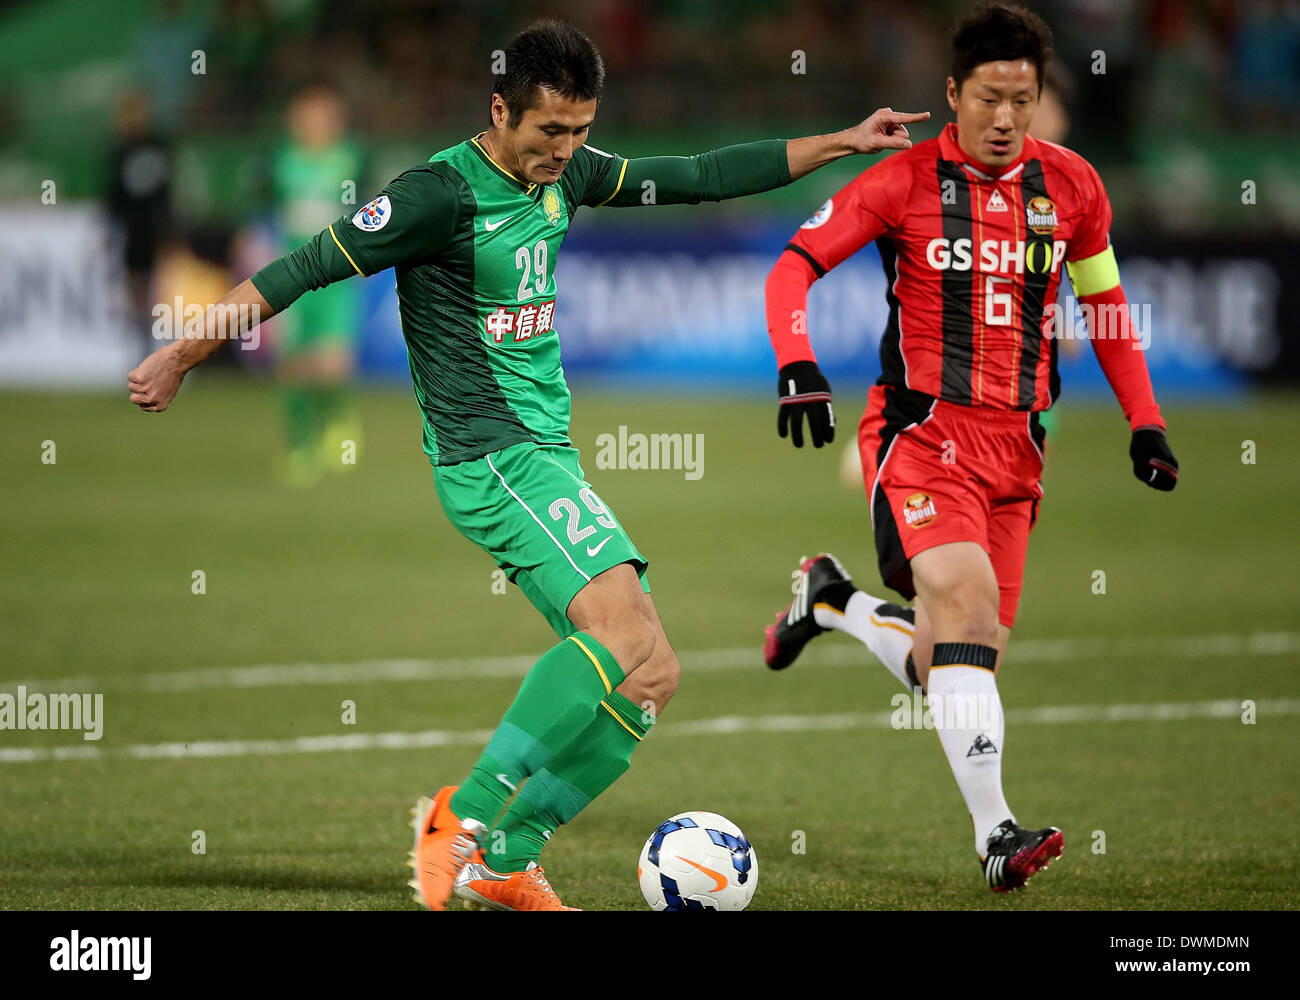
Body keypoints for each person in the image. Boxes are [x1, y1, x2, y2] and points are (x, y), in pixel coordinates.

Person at [127, 18, 927, 910]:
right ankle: (457, 817)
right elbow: (299, 270)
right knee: (622, 636)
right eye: (550, 131)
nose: (568, 150)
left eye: (582, 130)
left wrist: (843, 143)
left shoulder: (570, 173)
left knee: (654, 672)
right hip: (491, 454)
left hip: (545, 456)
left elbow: (699, 177)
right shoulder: (437, 195)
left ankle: (508, 856)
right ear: (500, 108)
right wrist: (179, 356)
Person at [762, 2, 1178, 893]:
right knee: (966, 609)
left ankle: (831, 600)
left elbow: (1105, 307)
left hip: (1017, 453)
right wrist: (797, 361)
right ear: (953, 94)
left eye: (1022, 101)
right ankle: (998, 836)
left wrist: (1146, 419)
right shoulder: (902, 182)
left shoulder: (1072, 188)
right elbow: (794, 264)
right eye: (989, 98)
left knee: (951, 663)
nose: (1004, 119)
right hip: (923, 437)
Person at [268, 81, 366, 487]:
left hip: (335, 278)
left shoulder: (351, 160)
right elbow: (264, 212)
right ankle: (298, 446)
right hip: (291, 277)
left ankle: (338, 423)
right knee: (293, 366)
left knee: (331, 364)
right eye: (307, 116)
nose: (314, 124)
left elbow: (370, 212)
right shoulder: (280, 163)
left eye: (322, 116)